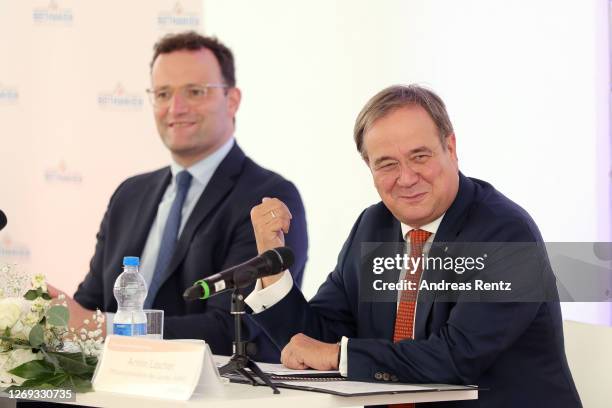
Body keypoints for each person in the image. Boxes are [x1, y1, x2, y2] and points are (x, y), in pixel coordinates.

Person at [245, 85, 581, 407]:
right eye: (387, 164)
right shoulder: (372, 226)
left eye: (419, 156)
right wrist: (271, 261)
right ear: (370, 168)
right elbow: (310, 343)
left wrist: (338, 355)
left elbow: (456, 357)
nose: (406, 178)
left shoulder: (505, 233)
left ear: (451, 148)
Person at [52, 31, 308, 362]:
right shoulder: (129, 194)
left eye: (195, 92)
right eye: (162, 93)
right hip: (110, 383)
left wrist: (107, 329)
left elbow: (232, 328)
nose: (176, 108)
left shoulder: (267, 197)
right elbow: (90, 305)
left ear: (232, 99)